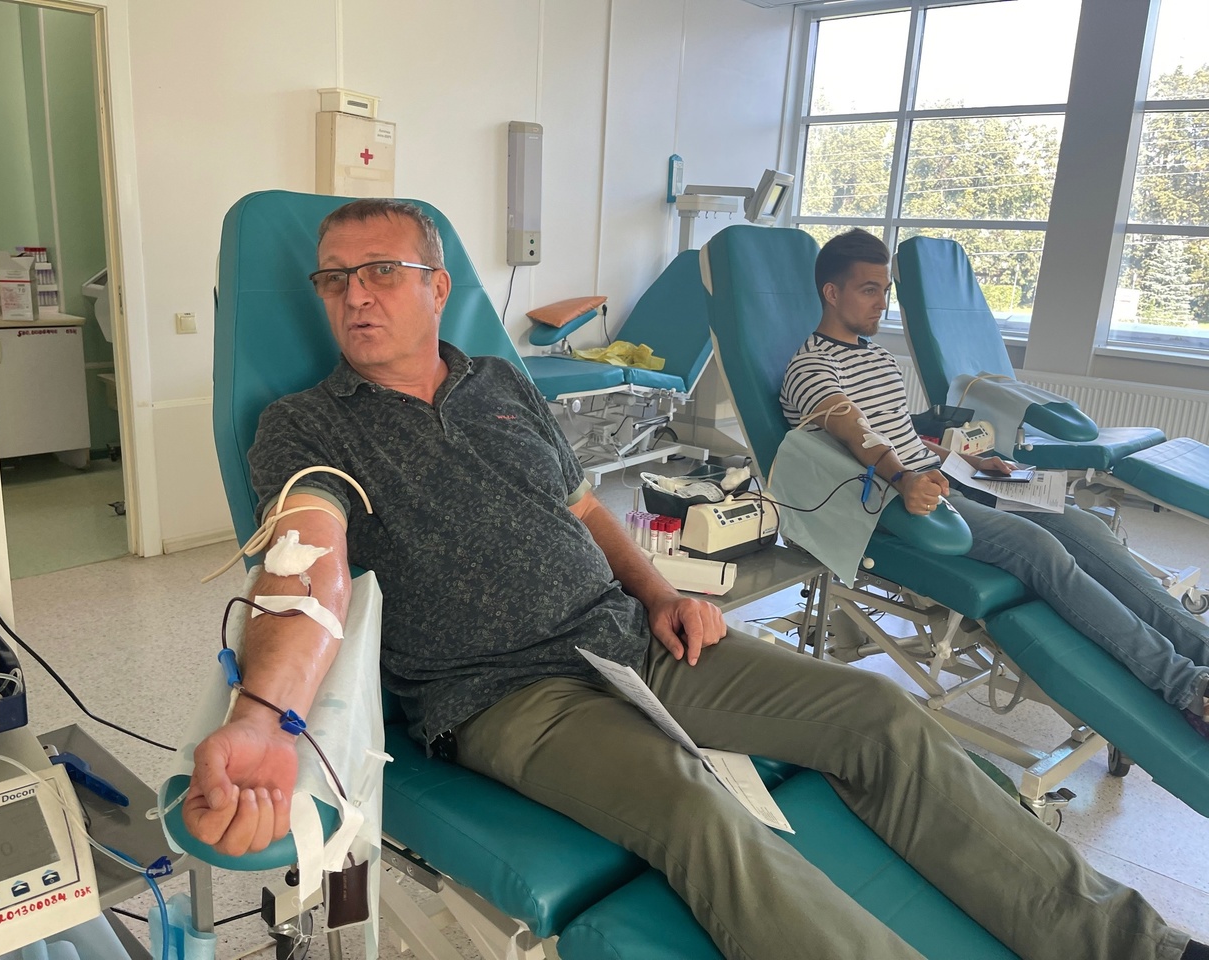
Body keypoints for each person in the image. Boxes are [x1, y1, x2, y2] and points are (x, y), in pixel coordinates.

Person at [183, 199, 1203, 960]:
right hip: (502, 696)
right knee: (697, 812)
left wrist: (661, 594)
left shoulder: (500, 384)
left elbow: (585, 509)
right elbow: (306, 568)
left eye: (381, 271)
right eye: (332, 280)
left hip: (631, 640)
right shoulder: (307, 425)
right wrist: (263, 717)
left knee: (882, 717)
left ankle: (1133, 948)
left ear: (437, 287)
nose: (354, 295)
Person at [781, 228, 1209, 740]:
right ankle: (1187, 687)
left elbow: (900, 433)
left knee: (1084, 527)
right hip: (895, 500)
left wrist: (968, 460)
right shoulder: (811, 368)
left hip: (942, 478)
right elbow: (860, 435)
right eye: (868, 290)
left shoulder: (876, 357)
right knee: (1038, 549)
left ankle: (1201, 647)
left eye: (885, 290)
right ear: (832, 292)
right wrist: (906, 477)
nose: (882, 303)